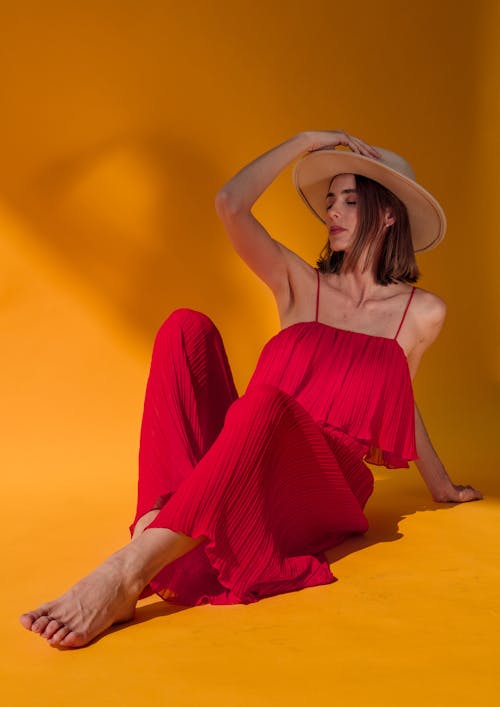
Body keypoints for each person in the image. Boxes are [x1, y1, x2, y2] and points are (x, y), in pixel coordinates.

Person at [19, 129, 482, 649]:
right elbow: (230, 204)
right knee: (184, 328)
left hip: (324, 482)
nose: (334, 212)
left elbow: (400, 398)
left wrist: (440, 484)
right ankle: (155, 525)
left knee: (264, 404)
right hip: (246, 444)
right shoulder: (298, 283)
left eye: (351, 201)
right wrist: (306, 141)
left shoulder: (421, 312)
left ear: (389, 214)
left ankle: (127, 572)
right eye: (330, 201)